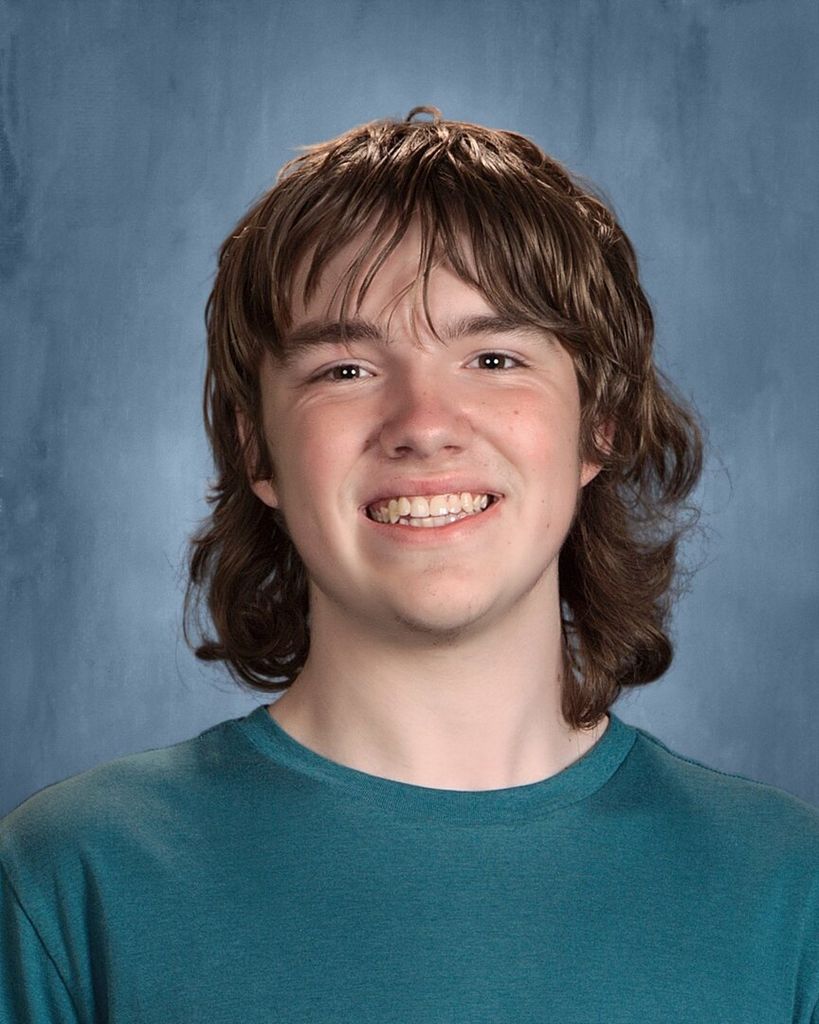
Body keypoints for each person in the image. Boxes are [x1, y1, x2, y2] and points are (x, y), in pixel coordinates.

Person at [1, 107, 817, 1023]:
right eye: (345, 370)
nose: (423, 425)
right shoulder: (67, 885)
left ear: (599, 423)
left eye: (493, 358)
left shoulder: (787, 894)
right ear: (257, 447)